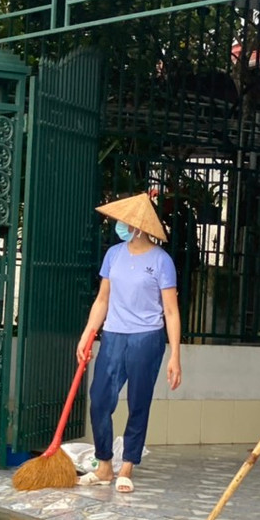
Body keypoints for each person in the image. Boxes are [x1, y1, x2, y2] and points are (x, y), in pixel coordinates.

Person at [77, 193, 182, 494]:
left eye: (126, 221)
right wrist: (88, 334)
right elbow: (102, 299)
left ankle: (128, 467)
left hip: (146, 338)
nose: (120, 225)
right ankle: (104, 465)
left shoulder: (162, 262)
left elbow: (172, 311)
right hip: (112, 335)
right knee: (99, 400)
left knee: (138, 402)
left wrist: (175, 355)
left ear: (139, 225)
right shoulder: (113, 255)